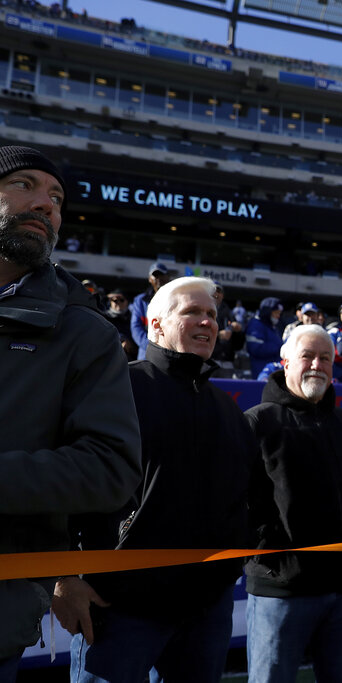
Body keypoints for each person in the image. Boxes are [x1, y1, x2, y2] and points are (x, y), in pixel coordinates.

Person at [52, 277, 256, 683]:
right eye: (192, 312)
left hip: (205, 612)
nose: (207, 322)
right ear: (155, 323)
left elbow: (242, 500)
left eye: (213, 315)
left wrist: (225, 575)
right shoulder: (117, 388)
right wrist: (63, 578)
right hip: (119, 608)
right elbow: (64, 486)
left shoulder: (228, 410)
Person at [0, 145, 142, 679]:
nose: (46, 205)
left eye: (56, 197)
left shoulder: (83, 332)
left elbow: (110, 468)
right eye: (26, 186)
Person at [244, 325, 342, 683]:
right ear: (284, 362)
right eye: (307, 356)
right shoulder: (257, 422)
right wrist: (272, 560)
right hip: (281, 593)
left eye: (325, 358)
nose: (317, 365)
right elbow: (239, 502)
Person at [129, 261, 171, 360]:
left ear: (168, 277)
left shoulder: (177, 299)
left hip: (169, 354)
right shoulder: (140, 300)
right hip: (146, 354)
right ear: (150, 279)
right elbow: (136, 328)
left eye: (162, 275)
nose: (159, 279)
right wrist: (151, 346)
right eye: (155, 276)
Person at [247, 296, 284, 378]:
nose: (278, 316)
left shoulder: (272, 326)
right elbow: (255, 348)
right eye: (276, 313)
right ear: (268, 312)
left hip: (272, 372)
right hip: (260, 372)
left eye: (279, 313)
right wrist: (280, 347)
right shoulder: (256, 324)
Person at [103, 288, 136, 358]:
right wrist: (122, 340)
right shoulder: (104, 317)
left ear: (127, 302)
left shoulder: (133, 317)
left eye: (121, 300)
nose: (118, 302)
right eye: (114, 300)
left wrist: (130, 343)